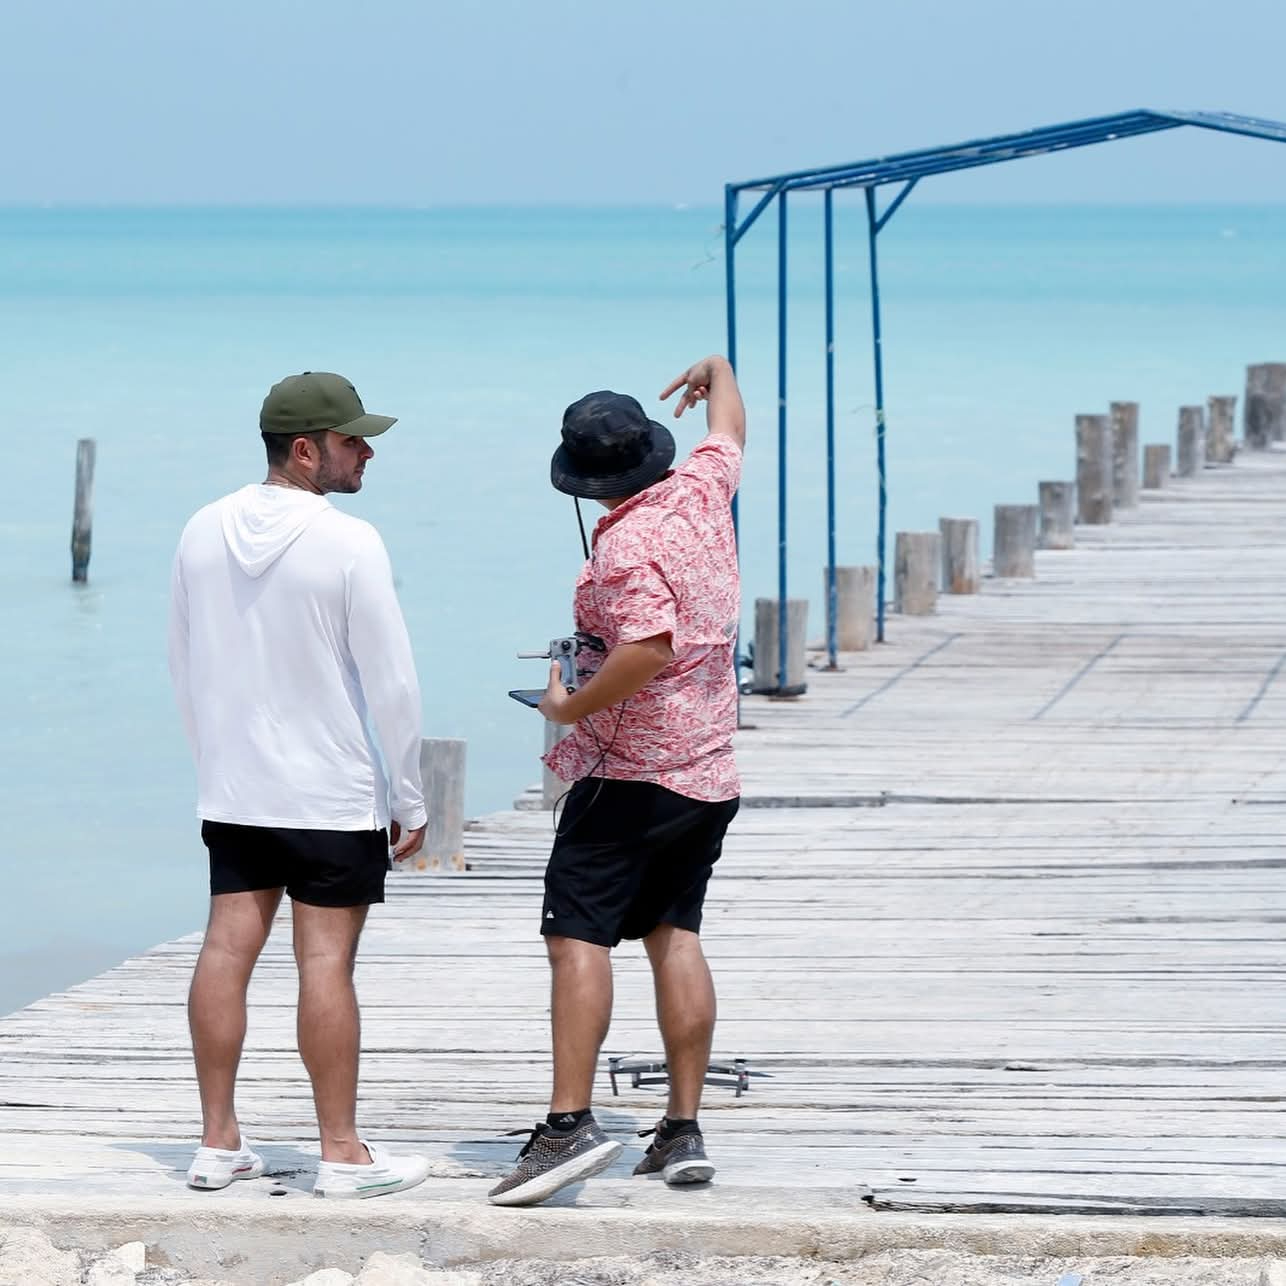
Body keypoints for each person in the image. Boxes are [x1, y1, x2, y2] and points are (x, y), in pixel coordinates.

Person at [489, 354, 746, 1208]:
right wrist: (720, 369)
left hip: (627, 772)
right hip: (708, 767)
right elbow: (730, 434)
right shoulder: (701, 492)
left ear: (584, 480)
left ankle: (568, 1126)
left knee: (578, 936)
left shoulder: (627, 544)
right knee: (674, 932)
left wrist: (569, 708)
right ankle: (680, 1128)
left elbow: (646, 646)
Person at [168, 371, 431, 1199]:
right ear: (306, 449)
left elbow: (183, 663)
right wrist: (412, 796)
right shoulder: (350, 541)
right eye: (354, 440)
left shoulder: (201, 529)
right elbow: (392, 682)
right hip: (329, 793)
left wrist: (211, 761)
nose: (368, 451)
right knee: (325, 964)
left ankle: (217, 1144)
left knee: (224, 950)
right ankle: (343, 1154)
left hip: (235, 788)